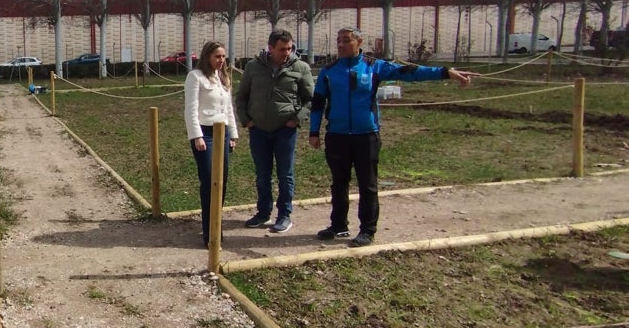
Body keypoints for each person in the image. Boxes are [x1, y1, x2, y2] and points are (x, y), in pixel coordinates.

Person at [308, 27, 477, 247]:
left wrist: (446, 72)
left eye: (346, 40)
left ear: (359, 41)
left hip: (366, 136)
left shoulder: (374, 66)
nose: (340, 45)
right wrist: (314, 131)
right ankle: (338, 225)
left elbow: (411, 72)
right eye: (338, 41)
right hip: (337, 136)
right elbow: (318, 103)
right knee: (338, 184)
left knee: (367, 184)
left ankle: (367, 230)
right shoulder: (328, 71)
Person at [235, 29, 314, 234]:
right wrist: (247, 121)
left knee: (285, 174)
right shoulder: (253, 67)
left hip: (284, 131)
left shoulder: (300, 68)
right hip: (258, 130)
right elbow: (241, 97)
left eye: (289, 48)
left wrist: (297, 119)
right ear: (270, 48)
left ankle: (284, 214)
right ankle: (263, 212)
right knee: (262, 174)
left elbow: (311, 99)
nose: (286, 52)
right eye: (281, 49)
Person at [184, 41, 239, 246]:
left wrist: (232, 135)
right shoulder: (195, 77)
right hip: (204, 133)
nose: (221, 60)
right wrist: (196, 136)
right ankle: (209, 232)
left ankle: (216, 223)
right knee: (209, 181)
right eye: (217, 56)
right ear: (207, 57)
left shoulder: (223, 78)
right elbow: (190, 109)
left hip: (222, 132)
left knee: (222, 180)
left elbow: (229, 110)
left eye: (223, 56)